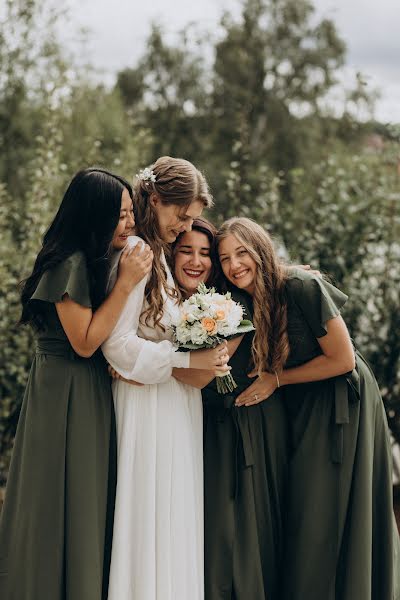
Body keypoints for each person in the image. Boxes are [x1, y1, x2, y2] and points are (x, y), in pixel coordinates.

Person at [218, 216, 400, 600]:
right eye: (225, 259)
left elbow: (344, 360)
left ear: (260, 250)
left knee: (325, 510)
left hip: (339, 402)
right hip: (301, 405)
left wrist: (276, 380)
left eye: (242, 253)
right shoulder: (246, 301)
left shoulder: (302, 286)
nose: (234, 266)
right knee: (304, 509)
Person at [0, 168, 154, 600]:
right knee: (58, 497)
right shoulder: (68, 263)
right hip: (64, 389)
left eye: (131, 214)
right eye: (121, 215)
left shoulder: (92, 259)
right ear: (95, 215)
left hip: (86, 389)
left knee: (86, 499)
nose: (130, 224)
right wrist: (125, 285)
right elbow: (85, 342)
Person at [101, 158, 230, 600]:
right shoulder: (137, 252)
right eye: (181, 215)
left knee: (174, 515)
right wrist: (183, 362)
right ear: (155, 199)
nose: (185, 225)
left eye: (192, 218)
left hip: (174, 404)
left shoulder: (157, 256)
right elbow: (116, 344)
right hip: (146, 406)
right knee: (149, 513)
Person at [171, 218, 288, 599]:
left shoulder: (228, 308)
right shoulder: (175, 302)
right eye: (186, 251)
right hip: (198, 427)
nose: (197, 261)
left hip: (234, 427)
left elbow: (199, 378)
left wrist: (135, 369)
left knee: (229, 535)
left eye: (206, 254)